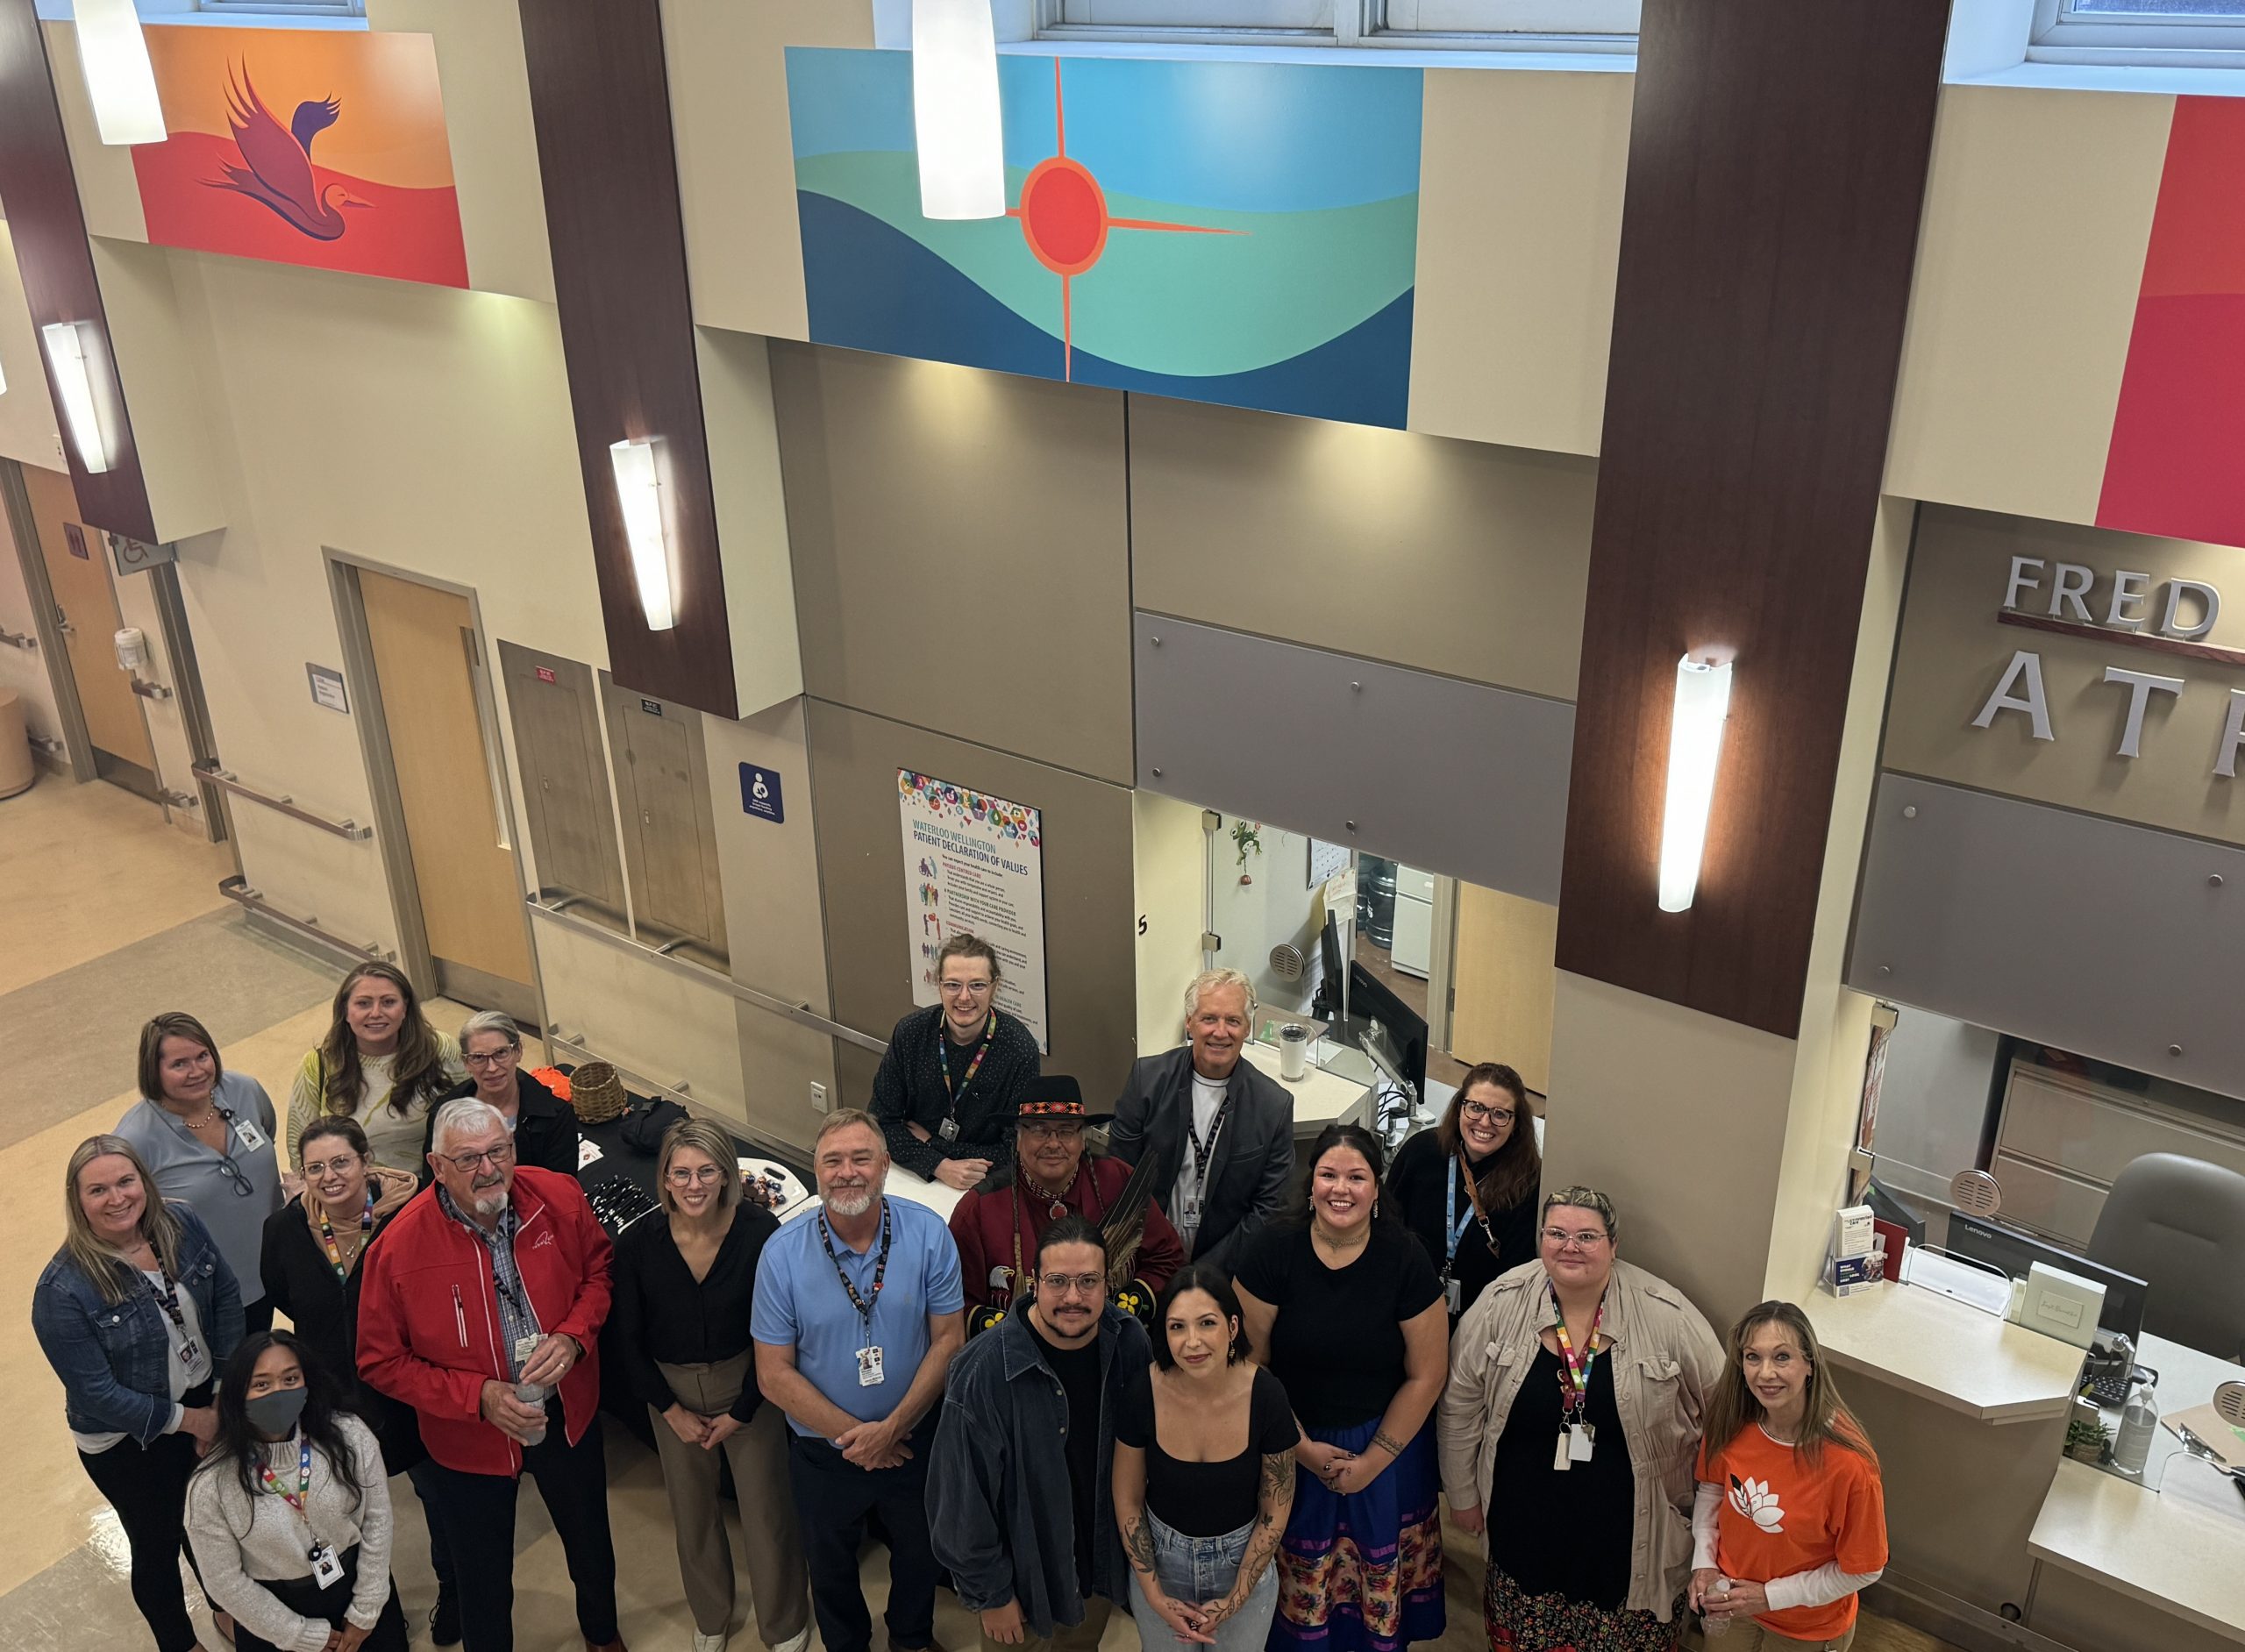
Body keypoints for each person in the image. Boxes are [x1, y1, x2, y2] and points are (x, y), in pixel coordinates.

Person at [355, 1098, 623, 1652]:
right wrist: (476, 1396)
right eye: (469, 1158)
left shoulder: (559, 1198)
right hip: (466, 1441)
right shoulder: (397, 1248)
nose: (488, 1169)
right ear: (437, 1166)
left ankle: (602, 1637)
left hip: (564, 1415)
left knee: (592, 1546)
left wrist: (573, 1336)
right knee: (483, 1582)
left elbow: (599, 1271)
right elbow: (379, 1360)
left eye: (497, 1150)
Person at [1437, 1186, 1724, 1652]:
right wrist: (1464, 1494)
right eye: (1557, 1233)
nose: (1570, 1246)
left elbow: (1724, 1413)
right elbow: (1459, 1406)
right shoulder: (1501, 1301)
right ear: (1541, 1239)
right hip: (1522, 1532)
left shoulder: (1667, 1315)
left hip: (1630, 1543)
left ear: (1614, 1245)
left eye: (1587, 1236)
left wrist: (1710, 1529)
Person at [752, 1110, 965, 1652]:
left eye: (861, 1158)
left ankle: (911, 1637)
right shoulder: (780, 1256)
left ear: (886, 1166)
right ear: (816, 1171)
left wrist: (893, 1428)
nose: (848, 1172)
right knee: (829, 1564)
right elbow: (773, 1375)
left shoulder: (929, 1235)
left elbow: (948, 1341)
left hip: (913, 1438)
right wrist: (861, 1438)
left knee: (920, 1553)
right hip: (825, 1453)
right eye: (833, 1160)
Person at [1236, 1122, 1448, 1652]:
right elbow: (1248, 1363)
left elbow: (1427, 1373)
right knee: (1297, 1606)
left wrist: (1374, 1462)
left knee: (1370, 1606)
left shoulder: (1405, 1257)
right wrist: (1299, 1447)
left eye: (1357, 1176)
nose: (1341, 1188)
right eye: (1329, 1174)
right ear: (1310, 1185)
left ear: (1377, 1189)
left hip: (1387, 1447)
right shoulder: (1272, 1249)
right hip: (1289, 1439)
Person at [33, 1134, 246, 1652]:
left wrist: (218, 1396)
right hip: (128, 1441)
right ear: (77, 1201)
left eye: (126, 1181)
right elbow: (97, 1393)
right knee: (157, 1543)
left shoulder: (180, 1223)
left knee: (211, 1523)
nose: (117, 1198)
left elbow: (225, 1297)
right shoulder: (62, 1290)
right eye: (98, 1189)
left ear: (143, 1183)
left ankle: (227, 1609)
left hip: (202, 1402)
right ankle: (179, 1642)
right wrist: (194, 1422)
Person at [612, 1117, 811, 1652]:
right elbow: (626, 1340)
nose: (694, 1185)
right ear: (665, 1178)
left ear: (727, 1174)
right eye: (681, 1173)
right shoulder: (637, 1244)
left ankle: (785, 1623)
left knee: (767, 1513)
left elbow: (782, 1331)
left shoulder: (759, 1234)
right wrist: (668, 1410)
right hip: (670, 1394)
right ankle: (711, 1616)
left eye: (707, 1172)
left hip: (753, 1387)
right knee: (692, 1516)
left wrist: (744, 1409)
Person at [930, 1215, 1152, 1652]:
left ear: (1109, 1283)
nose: (1073, 1297)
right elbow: (958, 1501)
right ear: (1033, 1282)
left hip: (1098, 1574)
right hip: (1022, 1587)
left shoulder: (1130, 1343)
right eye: (1058, 1281)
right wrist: (991, 1595)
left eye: (1088, 1281)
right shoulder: (982, 1370)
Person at [263, 1119, 445, 1640]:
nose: (329, 1176)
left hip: (408, 1392)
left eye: (341, 1161)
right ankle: (377, 1611)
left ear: (367, 1160)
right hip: (332, 1399)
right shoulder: (283, 1230)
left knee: (435, 1497)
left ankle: (452, 1589)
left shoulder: (413, 1215)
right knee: (350, 1512)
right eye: (314, 1167)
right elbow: (284, 1293)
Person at [184, 1331, 409, 1652]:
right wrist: (297, 1634)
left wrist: (367, 1608)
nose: (279, 1392)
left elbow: (377, 1520)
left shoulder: (350, 1436)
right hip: (273, 1619)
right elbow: (224, 1582)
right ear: (237, 1394)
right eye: (262, 1384)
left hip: (355, 1590)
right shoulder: (210, 1486)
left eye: (290, 1379)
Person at [1113, 1264, 1296, 1652]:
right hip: (1161, 1564)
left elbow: (1274, 1509)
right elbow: (1128, 1499)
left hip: (1244, 1561)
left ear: (1232, 1328)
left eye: (1206, 1323)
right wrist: (1154, 1594)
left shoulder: (1266, 1395)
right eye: (1177, 1327)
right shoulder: (1142, 1391)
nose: (1192, 1342)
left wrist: (1237, 1598)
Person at [1690, 1302, 1886, 1650]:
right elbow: (1712, 1487)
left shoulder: (1850, 1465)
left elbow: (1864, 1569)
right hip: (1733, 1605)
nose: (1765, 1373)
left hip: (1805, 1627)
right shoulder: (1731, 1422)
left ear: (1809, 1364)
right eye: (1753, 1357)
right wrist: (1704, 1564)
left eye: (1782, 1357)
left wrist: (1769, 1596)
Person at [949, 1076, 1185, 1323]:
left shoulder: (1118, 1182)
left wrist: (1116, 1317)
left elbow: (1167, 1258)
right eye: (1039, 1130)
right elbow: (956, 1305)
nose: (1053, 1143)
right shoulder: (978, 1210)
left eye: (1066, 1131)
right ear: (1018, 1139)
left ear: (1083, 1140)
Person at [1110, 969, 1295, 1273]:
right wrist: (1157, 1257)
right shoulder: (1148, 1081)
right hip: (1143, 1260)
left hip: (1226, 1271)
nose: (1220, 1032)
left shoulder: (1273, 1106)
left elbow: (1269, 1210)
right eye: (1209, 1018)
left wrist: (1203, 1274)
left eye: (1233, 1021)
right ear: (1189, 1022)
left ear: (1247, 1028)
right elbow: (1118, 1177)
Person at [116, 1011, 286, 1335]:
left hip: (280, 1265)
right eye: (179, 1064)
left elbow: (267, 1134)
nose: (197, 1071)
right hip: (213, 1293)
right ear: (154, 1071)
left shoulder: (244, 1090)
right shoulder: (135, 1139)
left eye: (203, 1056)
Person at [871, 933, 1042, 1192]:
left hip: (982, 1185)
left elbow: (1016, 1151)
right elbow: (880, 1122)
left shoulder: (1019, 1050)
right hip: (912, 1173)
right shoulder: (911, 1033)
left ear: (995, 987)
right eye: (953, 985)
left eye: (977, 985)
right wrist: (938, 1164)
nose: (964, 997)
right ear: (938, 983)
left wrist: (934, 1144)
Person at [1384, 1064, 1541, 1328]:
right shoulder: (1420, 1152)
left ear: (1516, 1124)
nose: (1485, 1122)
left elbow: (1518, 1275)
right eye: (1476, 1107)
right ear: (1460, 1107)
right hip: (1407, 1300)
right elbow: (1386, 1225)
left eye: (1500, 1114)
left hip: (1482, 1320)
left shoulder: (1528, 1183)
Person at [291, 963, 464, 1173]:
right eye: (363, 1003)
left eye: (388, 1002)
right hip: (350, 1198)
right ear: (345, 1011)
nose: (375, 1013)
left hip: (429, 1189)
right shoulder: (318, 1066)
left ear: (405, 1008)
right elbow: (299, 1148)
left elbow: (468, 1122)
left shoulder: (439, 1050)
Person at [421, 1010, 581, 1181]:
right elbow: (435, 1185)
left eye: (501, 1053)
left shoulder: (556, 1117)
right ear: (467, 1063)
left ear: (518, 1051)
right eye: (478, 1057)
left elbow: (560, 1190)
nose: (491, 1068)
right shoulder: (442, 1115)